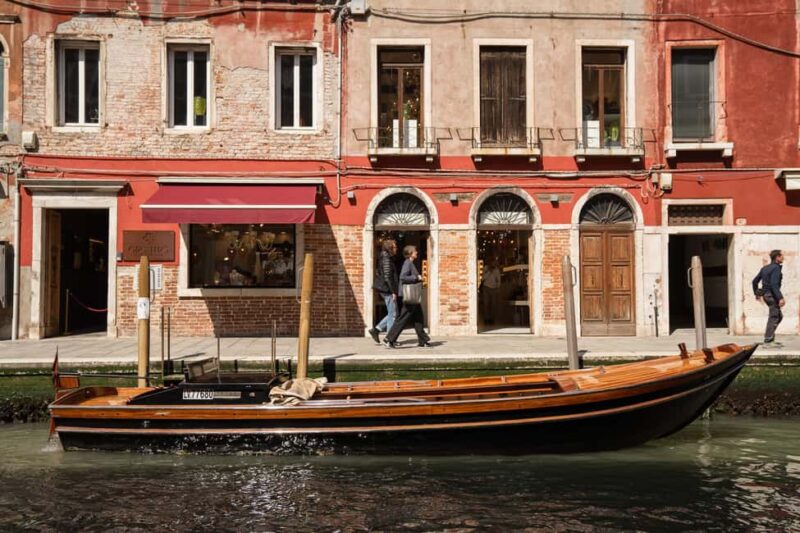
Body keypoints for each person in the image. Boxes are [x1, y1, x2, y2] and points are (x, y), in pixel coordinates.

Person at [383, 245, 431, 348]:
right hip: (409, 296)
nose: (417, 252)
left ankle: (423, 340)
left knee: (419, 318)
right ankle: (390, 339)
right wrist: (416, 277)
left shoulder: (410, 263)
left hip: (413, 297)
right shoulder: (407, 263)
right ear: (410, 253)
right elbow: (403, 277)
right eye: (415, 251)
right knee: (403, 318)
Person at [752, 250, 785, 346]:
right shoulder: (776, 268)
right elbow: (774, 284)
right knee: (774, 316)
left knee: (778, 316)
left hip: (766, 295)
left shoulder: (765, 268)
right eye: (782, 256)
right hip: (771, 295)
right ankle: (768, 340)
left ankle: (770, 337)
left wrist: (756, 292)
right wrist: (780, 298)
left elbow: (754, 281)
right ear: (777, 257)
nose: (783, 258)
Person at [369, 239, 399, 344]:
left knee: (392, 313)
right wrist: (393, 292)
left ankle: (376, 330)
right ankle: (389, 339)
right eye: (394, 247)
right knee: (393, 314)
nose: (396, 248)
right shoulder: (386, 258)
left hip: (386, 289)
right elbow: (387, 277)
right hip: (387, 289)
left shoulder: (386, 257)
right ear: (390, 248)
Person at [481, 261, 502, 326]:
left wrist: (498, 287)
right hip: (486, 288)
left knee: (493, 304)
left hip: (494, 289)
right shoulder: (486, 268)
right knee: (486, 304)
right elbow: (483, 278)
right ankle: (486, 319)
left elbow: (499, 280)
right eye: (492, 262)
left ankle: (492, 319)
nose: (493, 263)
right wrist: (489, 271)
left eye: (494, 262)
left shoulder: (497, 270)